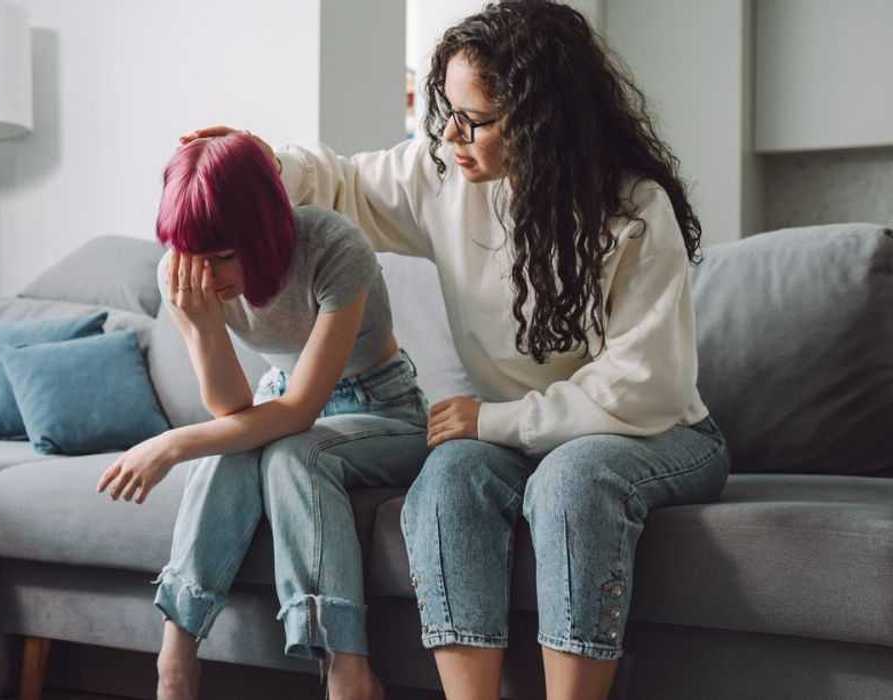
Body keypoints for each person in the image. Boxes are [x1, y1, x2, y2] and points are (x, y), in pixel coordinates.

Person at [179, 2, 731, 698]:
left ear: (541, 122)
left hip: (655, 432)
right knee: (447, 480)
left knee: (572, 479)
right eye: (446, 111)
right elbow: (343, 184)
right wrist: (265, 167)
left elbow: (641, 386)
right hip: (520, 437)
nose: (449, 133)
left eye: (474, 119)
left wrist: (492, 419)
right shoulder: (446, 174)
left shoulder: (634, 210)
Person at [97, 132, 430, 700]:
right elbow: (232, 410)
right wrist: (204, 326)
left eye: (224, 256)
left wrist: (172, 444)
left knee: (293, 455)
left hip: (381, 407)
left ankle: (347, 670)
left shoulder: (333, 247)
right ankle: (175, 659)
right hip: (277, 399)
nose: (209, 276)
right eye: (196, 257)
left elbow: (299, 412)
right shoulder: (181, 274)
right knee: (232, 449)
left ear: (264, 229)